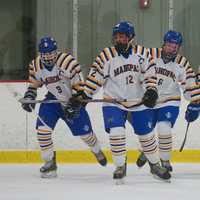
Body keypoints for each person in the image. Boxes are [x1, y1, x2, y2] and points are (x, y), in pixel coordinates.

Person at [83, 21, 171, 183]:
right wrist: (84, 96)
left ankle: (154, 164)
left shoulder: (143, 54)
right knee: (117, 133)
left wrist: (151, 90)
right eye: (116, 37)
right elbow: (95, 79)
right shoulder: (106, 55)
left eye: (122, 36)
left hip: (138, 101)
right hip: (113, 102)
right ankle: (120, 166)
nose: (118, 40)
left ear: (131, 38)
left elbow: (151, 75)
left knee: (147, 136)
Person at [21, 36, 107, 178]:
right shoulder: (35, 65)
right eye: (44, 54)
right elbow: (34, 84)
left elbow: (79, 89)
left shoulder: (68, 62)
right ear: (39, 54)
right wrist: (30, 97)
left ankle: (96, 149)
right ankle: (50, 163)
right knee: (42, 132)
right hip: (52, 101)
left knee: (86, 135)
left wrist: (75, 104)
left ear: (56, 52)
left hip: (71, 100)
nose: (48, 57)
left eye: (50, 54)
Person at [136, 30, 200, 173]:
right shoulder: (150, 54)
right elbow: (136, 68)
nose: (172, 48)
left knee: (164, 128)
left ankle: (165, 160)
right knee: (146, 132)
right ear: (164, 44)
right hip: (150, 100)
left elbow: (189, 84)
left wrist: (195, 102)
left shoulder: (182, 62)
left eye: (175, 46)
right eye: (170, 45)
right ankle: (147, 151)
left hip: (170, 101)